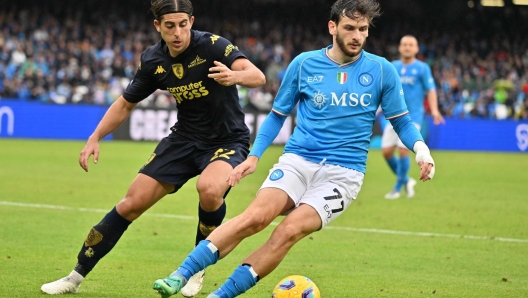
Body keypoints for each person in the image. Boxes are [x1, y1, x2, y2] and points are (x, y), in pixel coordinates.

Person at [151, 0, 436, 297]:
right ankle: (180, 275)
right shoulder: (303, 64)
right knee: (254, 218)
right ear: (332, 27)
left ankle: (219, 295)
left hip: (343, 174)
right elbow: (277, 115)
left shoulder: (381, 70)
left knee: (286, 233)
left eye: (363, 29)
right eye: (350, 28)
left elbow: (401, 120)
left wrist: (421, 149)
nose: (357, 36)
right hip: (297, 161)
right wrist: (254, 156)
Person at [40, 0, 265, 296]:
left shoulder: (212, 45)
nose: (178, 33)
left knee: (210, 190)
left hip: (227, 141)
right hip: (183, 140)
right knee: (130, 203)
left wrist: (235, 76)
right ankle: (74, 277)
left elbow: (257, 76)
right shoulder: (153, 60)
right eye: (170, 26)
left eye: (183, 25)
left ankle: (196, 268)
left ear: (191, 22)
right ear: (157, 26)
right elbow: (125, 103)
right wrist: (95, 137)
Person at [381, 35, 444, 199]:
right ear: (400, 48)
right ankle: (406, 180)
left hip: (413, 117)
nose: (407, 47)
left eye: (411, 45)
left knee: (403, 150)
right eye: (404, 44)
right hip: (394, 115)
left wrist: (435, 110)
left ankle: (397, 187)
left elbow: (431, 89)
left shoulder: (422, 68)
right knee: (387, 152)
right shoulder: (392, 66)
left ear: (416, 49)